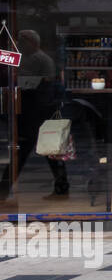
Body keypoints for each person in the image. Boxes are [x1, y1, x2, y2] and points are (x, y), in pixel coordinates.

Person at [15, 29, 70, 200]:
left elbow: (47, 84)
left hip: (39, 108)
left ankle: (6, 184)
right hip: (29, 107)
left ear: (32, 42)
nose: (19, 44)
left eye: (22, 41)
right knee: (37, 147)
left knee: (43, 147)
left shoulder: (42, 59)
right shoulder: (23, 57)